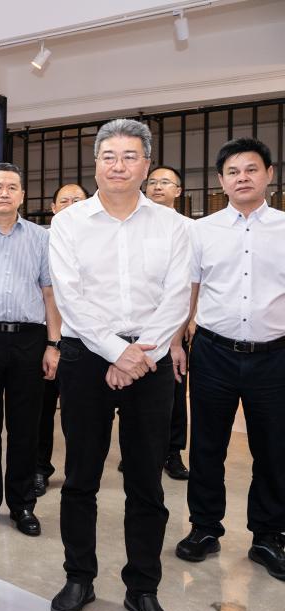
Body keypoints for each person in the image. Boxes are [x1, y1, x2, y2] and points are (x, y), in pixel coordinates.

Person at [48, 119, 190, 611]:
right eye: (109, 156)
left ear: (146, 165)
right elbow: (70, 297)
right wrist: (115, 351)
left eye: (130, 156)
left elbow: (177, 297)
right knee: (80, 475)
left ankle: (142, 588)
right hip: (86, 358)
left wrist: (137, 354)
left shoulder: (173, 225)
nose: (118, 165)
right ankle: (78, 577)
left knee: (146, 480)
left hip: (150, 360)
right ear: (95, 164)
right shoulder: (68, 223)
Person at [174, 138, 285, 582]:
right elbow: (189, 291)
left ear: (269, 175)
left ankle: (268, 536)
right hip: (213, 352)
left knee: (274, 449)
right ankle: (204, 527)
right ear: (221, 181)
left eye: (251, 169)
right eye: (233, 172)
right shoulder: (201, 231)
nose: (243, 178)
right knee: (206, 445)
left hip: (274, 355)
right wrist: (177, 342)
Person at [0, 162, 61, 537]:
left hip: (30, 339)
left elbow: (50, 293)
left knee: (26, 426)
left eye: (11, 187)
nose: (4, 193)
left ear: (22, 195)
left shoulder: (41, 237)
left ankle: (22, 504)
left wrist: (53, 343)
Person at [35, 183, 87, 497]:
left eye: (77, 200)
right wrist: (51, 343)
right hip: (46, 339)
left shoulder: (99, 240)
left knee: (78, 413)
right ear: (54, 208)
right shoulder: (42, 240)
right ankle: (40, 468)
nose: (70, 205)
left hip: (85, 341)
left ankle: (78, 473)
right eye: (63, 201)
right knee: (41, 411)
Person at [144, 165, 190, 480]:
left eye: (165, 182)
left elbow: (191, 285)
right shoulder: (134, 224)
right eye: (153, 182)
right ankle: (138, 452)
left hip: (172, 326)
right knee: (135, 397)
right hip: (136, 325)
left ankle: (173, 452)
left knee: (173, 392)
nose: (158, 187)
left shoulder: (189, 228)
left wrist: (178, 337)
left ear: (178, 191)